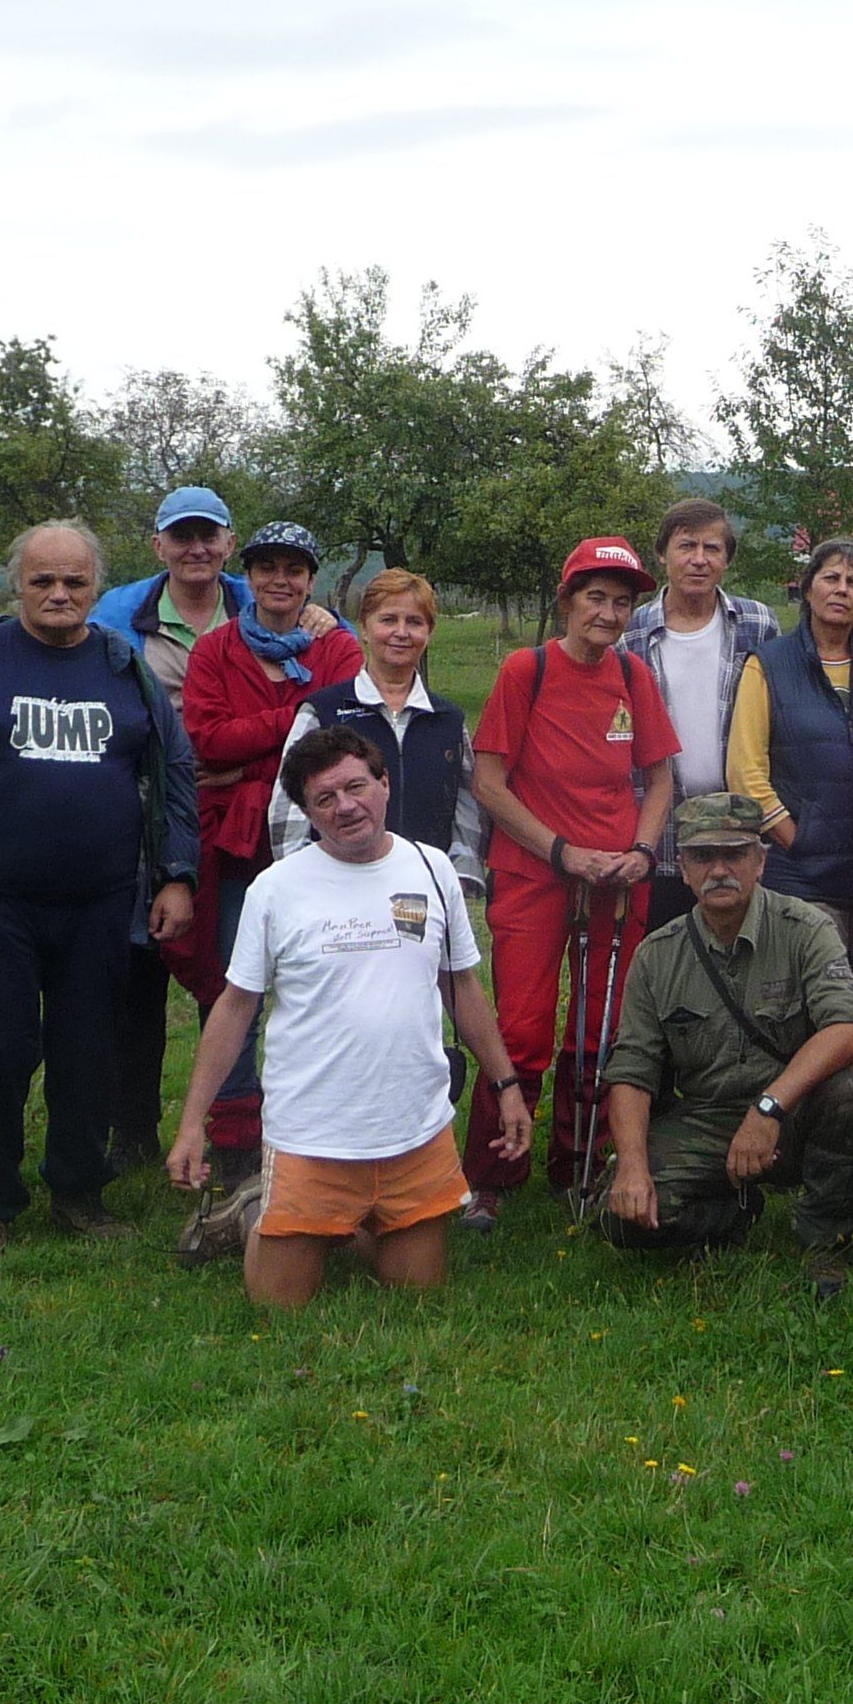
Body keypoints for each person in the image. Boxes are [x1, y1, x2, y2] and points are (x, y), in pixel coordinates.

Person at [0, 523, 201, 1255]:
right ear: (17, 586)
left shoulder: (123, 665)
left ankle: (79, 1192)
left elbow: (175, 771)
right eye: (43, 581)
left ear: (96, 587)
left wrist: (176, 874)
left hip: (101, 900)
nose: (59, 594)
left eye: (74, 582)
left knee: (89, 1051)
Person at [170, 727, 533, 1305]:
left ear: (384, 784)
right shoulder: (275, 889)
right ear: (307, 813)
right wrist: (192, 1124)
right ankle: (256, 1211)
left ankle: (352, 1222)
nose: (345, 806)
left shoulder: (431, 870)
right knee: (278, 1304)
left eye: (356, 787)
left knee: (416, 1292)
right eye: (324, 798)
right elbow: (235, 1008)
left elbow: (461, 986)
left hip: (412, 1130)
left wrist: (506, 1086)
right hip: (312, 1135)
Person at [468, 536, 681, 1225]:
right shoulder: (525, 670)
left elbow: (659, 779)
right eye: (596, 598)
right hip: (533, 874)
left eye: (621, 602)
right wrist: (561, 852)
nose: (608, 613)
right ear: (567, 601)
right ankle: (493, 1173)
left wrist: (643, 851)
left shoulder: (633, 676)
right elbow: (489, 782)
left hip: (617, 880)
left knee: (603, 1028)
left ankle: (579, 1163)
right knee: (522, 1027)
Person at [174, 520, 366, 1249]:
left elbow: (342, 740)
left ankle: (333, 1134)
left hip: (321, 843)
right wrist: (299, 719)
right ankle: (234, 1142)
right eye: (267, 568)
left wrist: (249, 758)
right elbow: (207, 739)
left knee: (333, 984)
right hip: (236, 846)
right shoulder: (216, 649)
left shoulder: (337, 647)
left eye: (294, 569)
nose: (280, 581)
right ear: (247, 575)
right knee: (233, 988)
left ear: (312, 580)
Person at [600, 794, 853, 1286]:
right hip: (708, 1118)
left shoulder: (805, 929)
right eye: (702, 857)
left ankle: (828, 1241)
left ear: (760, 862)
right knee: (621, 1217)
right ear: (683, 869)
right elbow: (631, 1070)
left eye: (734, 854)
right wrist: (632, 1166)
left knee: (851, 1093)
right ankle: (734, 1213)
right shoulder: (656, 955)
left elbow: (850, 1027)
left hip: (795, 1114)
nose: (719, 870)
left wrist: (768, 1109)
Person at [90, 486, 257, 1178]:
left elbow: (319, 671)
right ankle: (131, 1126)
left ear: (229, 543)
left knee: (232, 968)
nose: (196, 549)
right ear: (158, 545)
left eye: (208, 536)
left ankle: (240, 1128)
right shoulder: (117, 614)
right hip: (139, 811)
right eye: (181, 537)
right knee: (138, 968)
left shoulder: (259, 604)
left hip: (233, 812)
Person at [724, 535, 853, 959]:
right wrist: (796, 839)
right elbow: (744, 772)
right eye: (830, 578)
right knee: (815, 989)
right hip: (801, 875)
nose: (841, 590)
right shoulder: (769, 664)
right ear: (807, 588)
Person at [262, 567, 486, 880]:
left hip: (424, 887)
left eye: (415, 622)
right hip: (339, 887)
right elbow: (287, 810)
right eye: (388, 620)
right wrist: (308, 883)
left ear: (429, 633)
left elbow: (468, 810)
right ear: (364, 628)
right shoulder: (324, 711)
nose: (401, 632)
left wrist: (456, 880)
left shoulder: (448, 720)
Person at [620, 498, 782, 927]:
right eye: (686, 546)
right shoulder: (630, 633)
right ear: (662, 554)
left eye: (712, 548)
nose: (699, 559)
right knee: (663, 952)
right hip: (658, 837)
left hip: (737, 830)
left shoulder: (758, 625)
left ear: (727, 559)